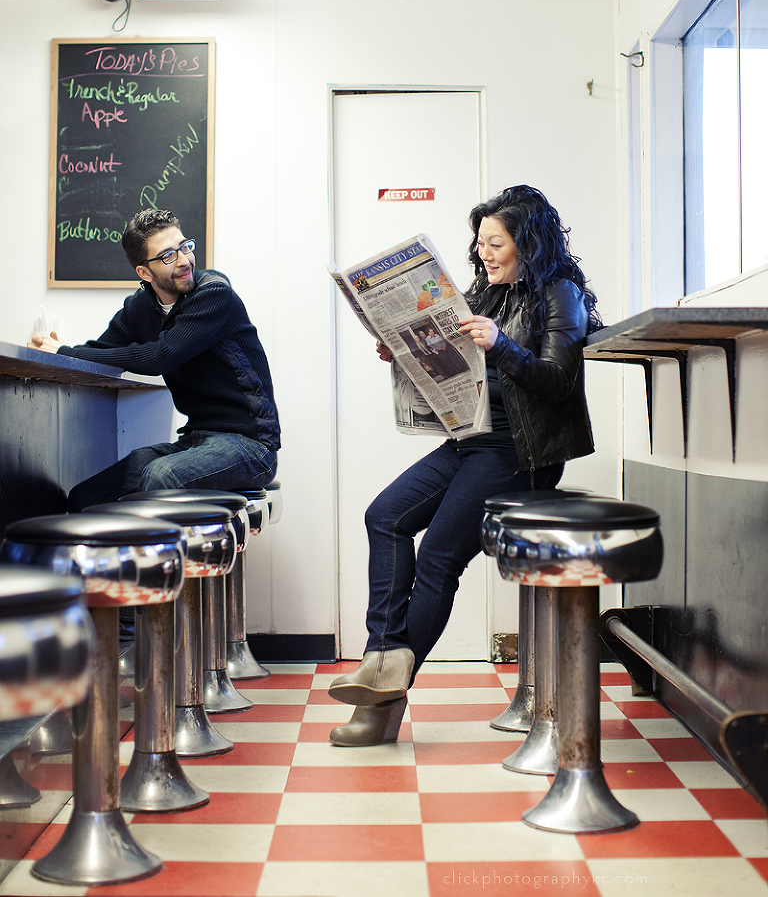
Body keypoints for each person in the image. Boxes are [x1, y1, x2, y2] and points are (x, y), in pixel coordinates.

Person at [327, 184, 602, 747]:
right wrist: (405, 352)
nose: (484, 253)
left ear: (528, 242)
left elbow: (558, 381)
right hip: (469, 441)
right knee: (384, 516)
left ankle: (383, 700)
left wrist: (501, 345)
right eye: (480, 243)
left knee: (438, 557)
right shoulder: (486, 292)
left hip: (519, 453)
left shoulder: (560, 293)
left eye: (495, 243)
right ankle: (383, 657)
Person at [27, 209, 279, 511]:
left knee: (162, 475)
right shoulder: (140, 308)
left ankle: (154, 544)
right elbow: (100, 351)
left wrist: (65, 352)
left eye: (185, 247)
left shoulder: (214, 294)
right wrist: (52, 350)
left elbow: (161, 356)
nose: (184, 260)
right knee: (86, 497)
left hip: (251, 446)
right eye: (168, 255)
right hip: (196, 439)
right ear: (144, 272)